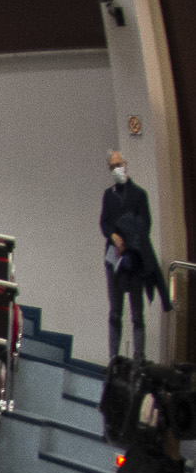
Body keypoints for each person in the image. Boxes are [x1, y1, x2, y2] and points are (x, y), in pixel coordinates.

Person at [101, 149, 164, 361]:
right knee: (115, 310)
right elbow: (104, 222)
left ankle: (139, 357)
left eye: (119, 164)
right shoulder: (108, 196)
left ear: (125, 165)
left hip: (134, 257)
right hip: (113, 256)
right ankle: (113, 356)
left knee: (137, 312)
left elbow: (145, 225)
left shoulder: (139, 195)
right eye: (113, 166)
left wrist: (127, 241)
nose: (117, 169)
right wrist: (113, 236)